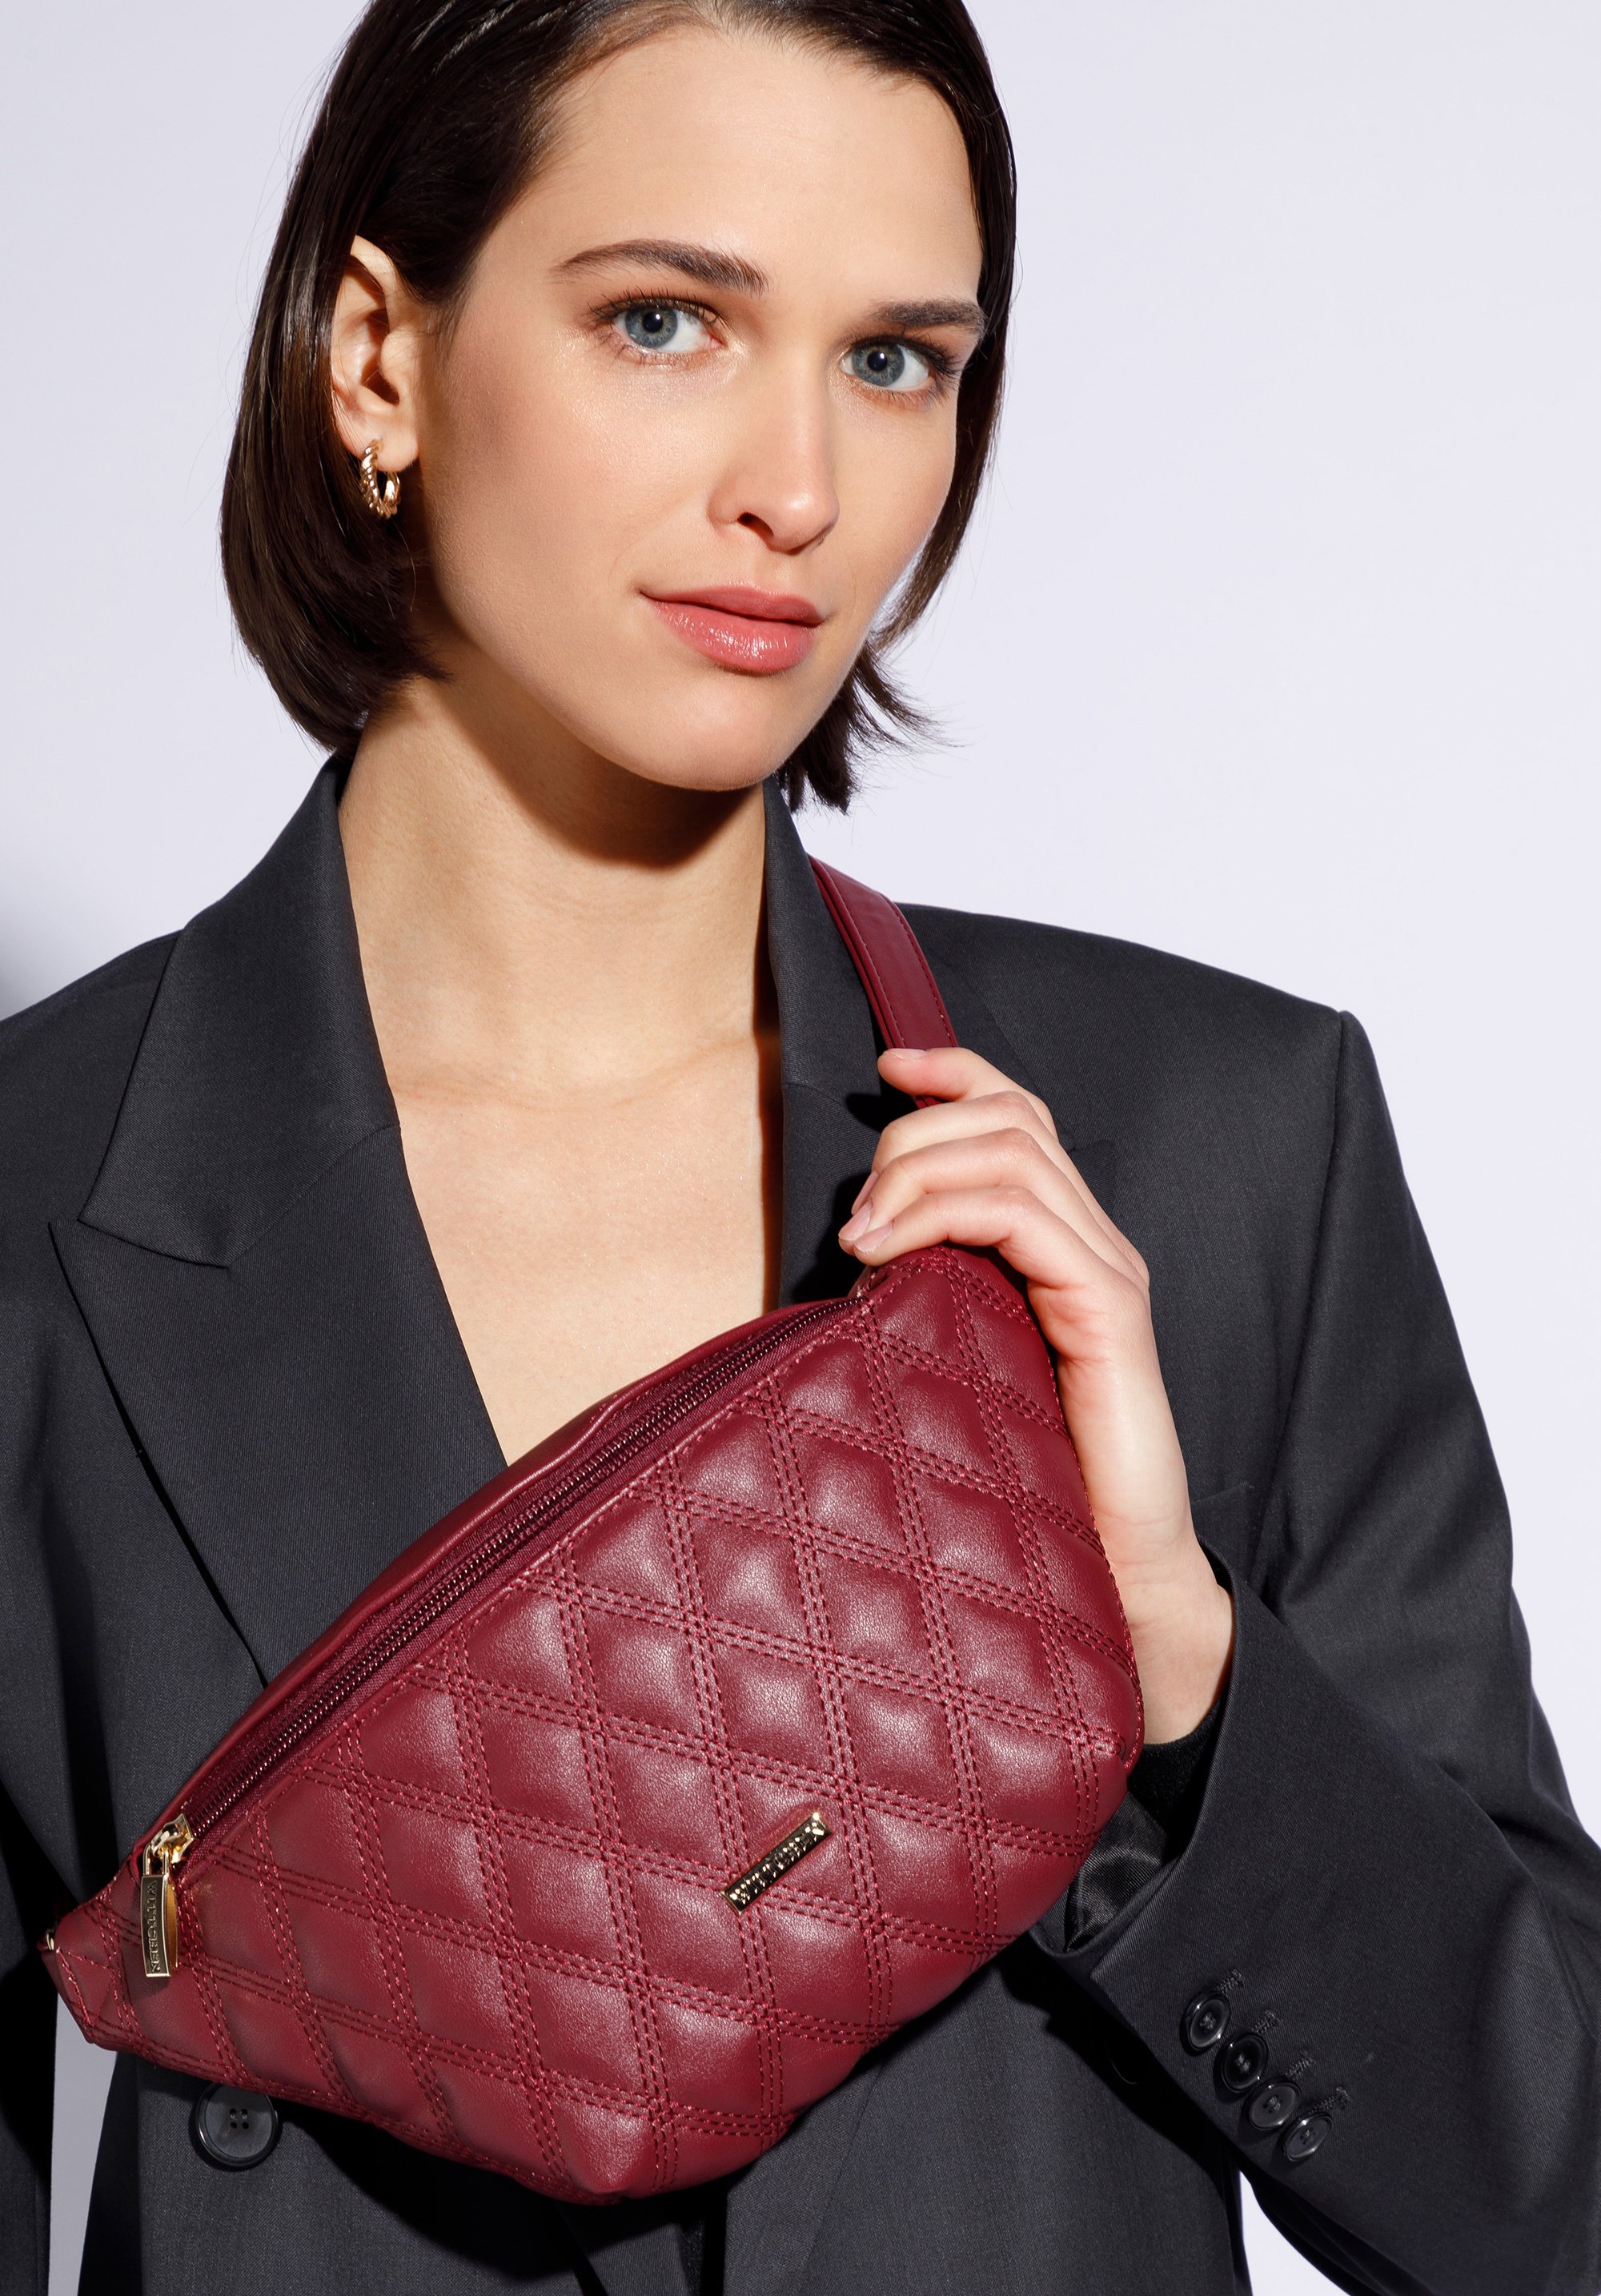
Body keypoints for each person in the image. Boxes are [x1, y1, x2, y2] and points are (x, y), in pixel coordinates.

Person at [2, 2, 1597, 2291]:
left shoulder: (1220, 1147)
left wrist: (1173, 1658)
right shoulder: (34, 1206)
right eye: (666, 321)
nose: (801, 487)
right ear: (377, 360)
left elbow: (1555, 2195)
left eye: (895, 359)